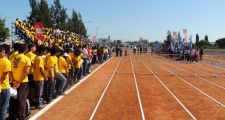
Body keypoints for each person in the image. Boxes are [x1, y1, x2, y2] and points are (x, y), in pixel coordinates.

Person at [10, 43, 31, 120]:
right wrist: (19, 82)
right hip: (22, 82)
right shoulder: (26, 59)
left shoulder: (13, 58)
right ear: (26, 50)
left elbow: (10, 71)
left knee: (13, 100)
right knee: (22, 100)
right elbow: (26, 72)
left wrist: (13, 80)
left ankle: (12, 116)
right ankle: (21, 117)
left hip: (13, 81)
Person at [0, 45, 11, 120]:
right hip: (4, 86)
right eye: (3, 52)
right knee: (4, 107)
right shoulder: (6, 61)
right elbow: (4, 76)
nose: (4, 53)